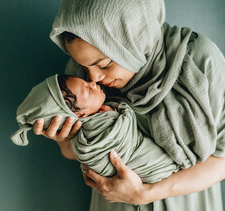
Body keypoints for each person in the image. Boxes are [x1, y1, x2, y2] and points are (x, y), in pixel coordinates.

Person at [34, 0, 225, 210]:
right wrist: (64, 140)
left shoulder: (197, 60)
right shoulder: (80, 77)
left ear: (131, 41)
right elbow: (76, 153)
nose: (94, 77)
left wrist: (145, 193)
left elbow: (223, 162)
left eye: (105, 64)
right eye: (84, 66)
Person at [11, 74, 179, 183]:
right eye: (87, 90)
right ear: (81, 116)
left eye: (86, 83)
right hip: (153, 168)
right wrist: (121, 111)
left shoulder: (97, 118)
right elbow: (121, 132)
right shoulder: (94, 128)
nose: (93, 82)